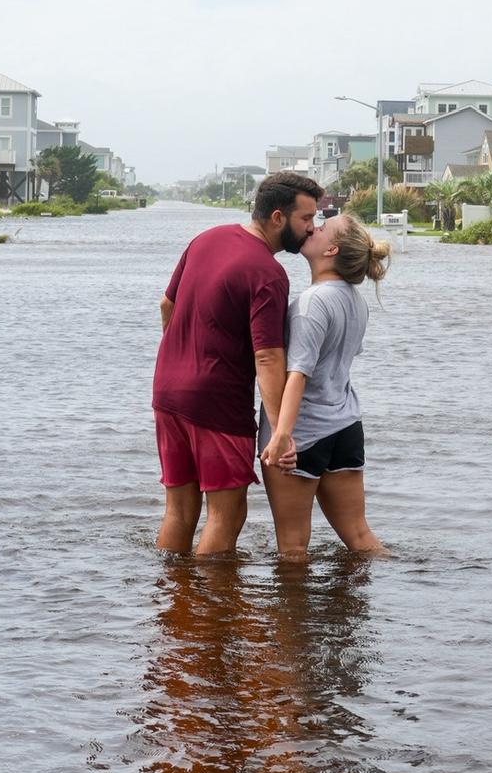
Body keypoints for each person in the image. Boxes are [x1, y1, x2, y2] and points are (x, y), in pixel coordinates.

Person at [152, 171, 323, 555]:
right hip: (219, 404)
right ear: (278, 218)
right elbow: (267, 355)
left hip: (167, 391)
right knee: (226, 515)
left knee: (178, 511)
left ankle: (175, 600)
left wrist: (183, 356)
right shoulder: (268, 274)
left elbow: (167, 305)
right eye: (306, 219)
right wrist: (281, 429)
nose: (312, 229)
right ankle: (211, 611)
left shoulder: (206, 238)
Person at [258, 213, 390, 559]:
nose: (313, 227)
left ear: (331, 249)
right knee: (361, 537)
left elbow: (297, 373)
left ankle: (293, 616)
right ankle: (368, 605)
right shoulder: (355, 302)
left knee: (292, 547)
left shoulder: (311, 302)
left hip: (302, 435)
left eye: (323, 228)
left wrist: (281, 435)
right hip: (345, 426)